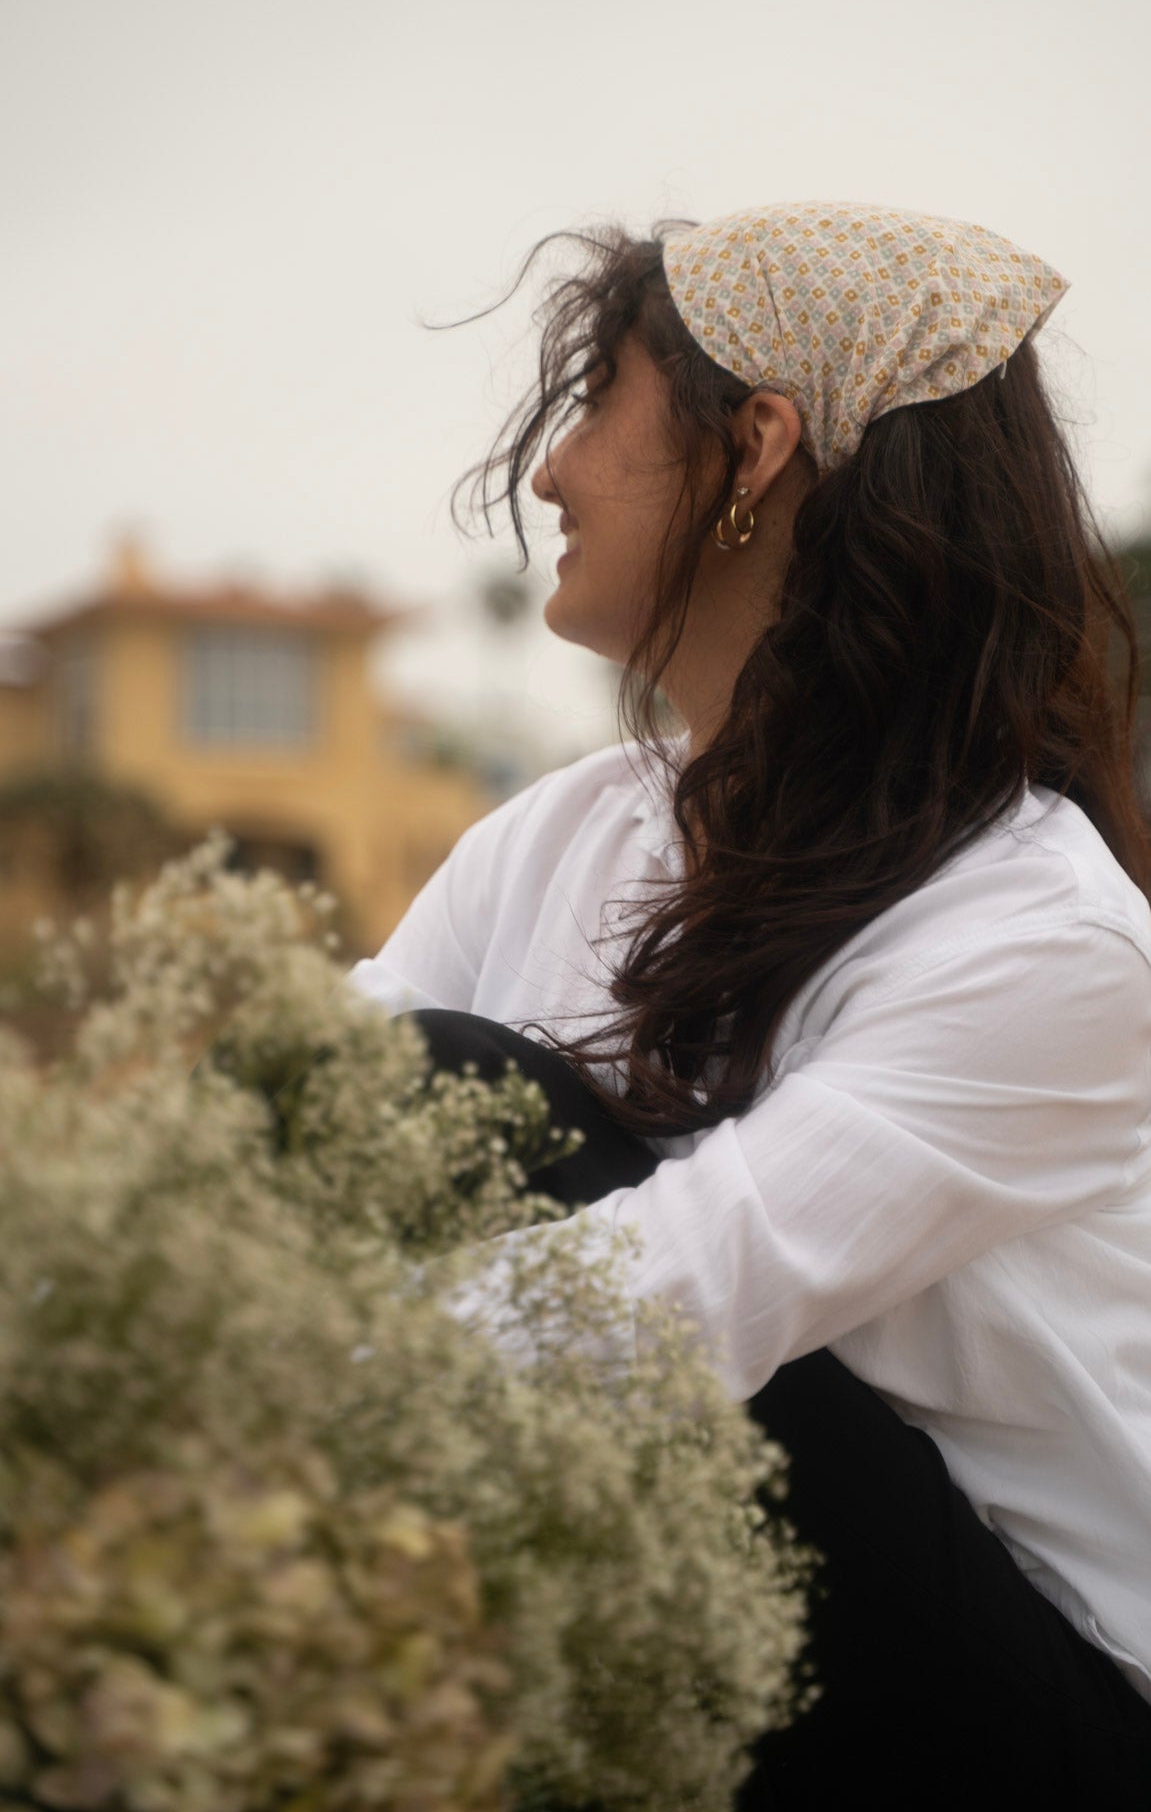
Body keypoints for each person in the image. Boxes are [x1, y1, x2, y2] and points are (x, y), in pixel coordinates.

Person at [351, 201, 1151, 1805]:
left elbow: (681, 1294)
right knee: (359, 1101)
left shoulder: (1037, 936)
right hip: (744, 1612)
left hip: (1044, 1716)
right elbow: (297, 1113)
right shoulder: (564, 835)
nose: (551, 472)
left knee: (458, 1100)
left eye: (596, 407)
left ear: (758, 446)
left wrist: (218, 1405)